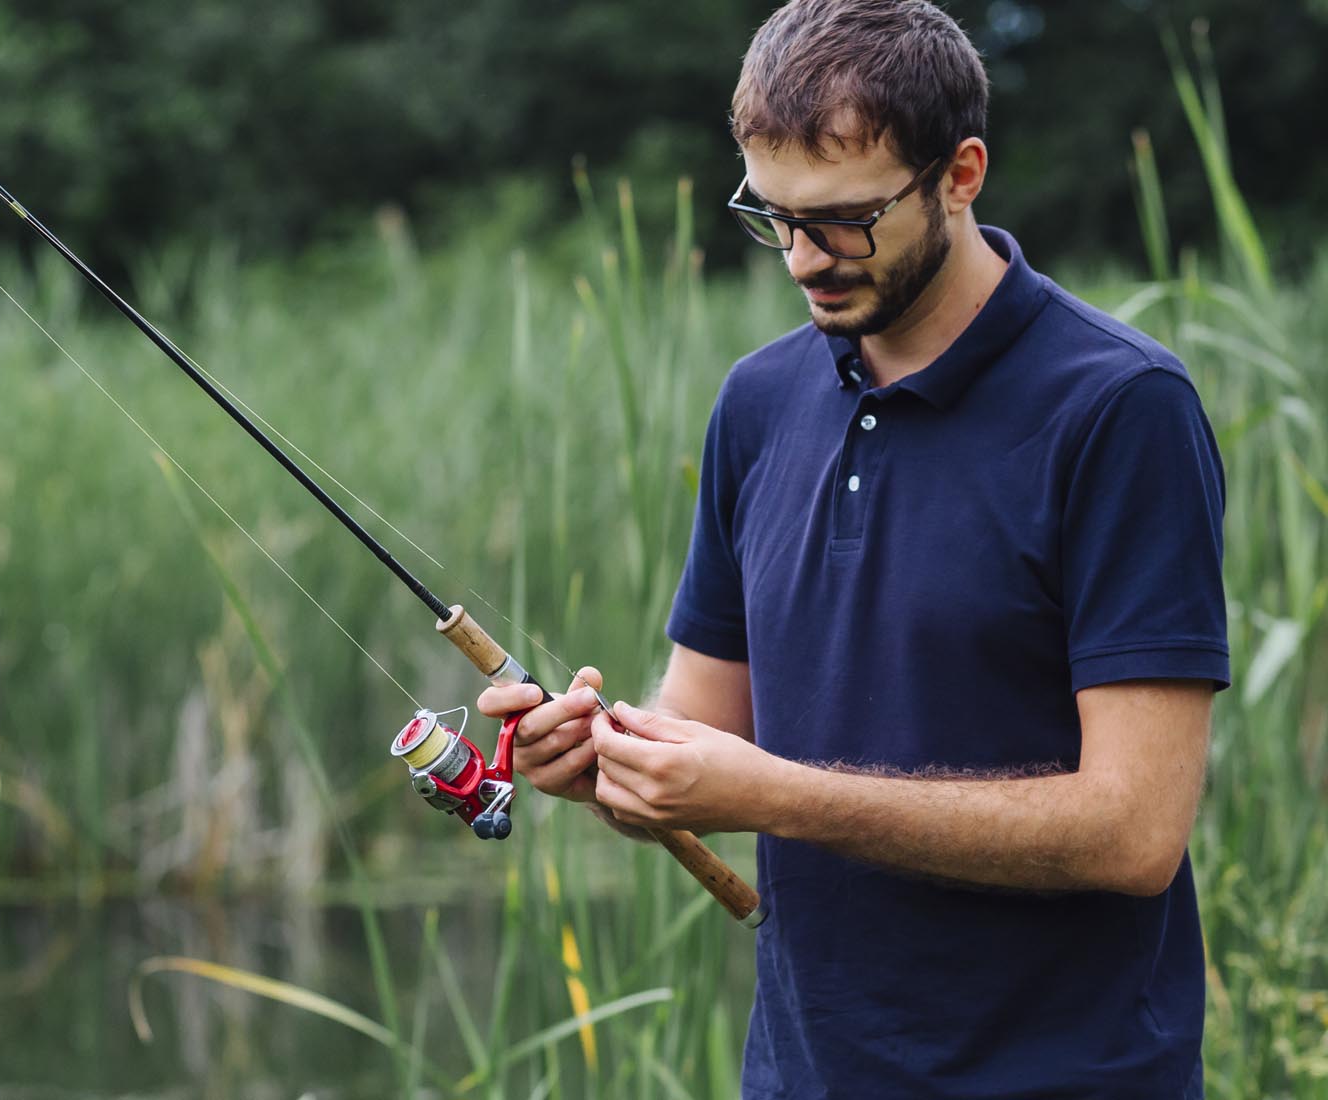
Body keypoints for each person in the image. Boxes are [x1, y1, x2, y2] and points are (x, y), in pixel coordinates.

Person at [478, 1, 1228, 1096]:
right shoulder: (757, 400)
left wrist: (775, 794)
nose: (799, 259)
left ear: (959, 174)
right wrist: (601, 761)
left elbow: (1131, 832)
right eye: (769, 214)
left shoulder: (1119, 409)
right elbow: (703, 733)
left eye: (840, 218)